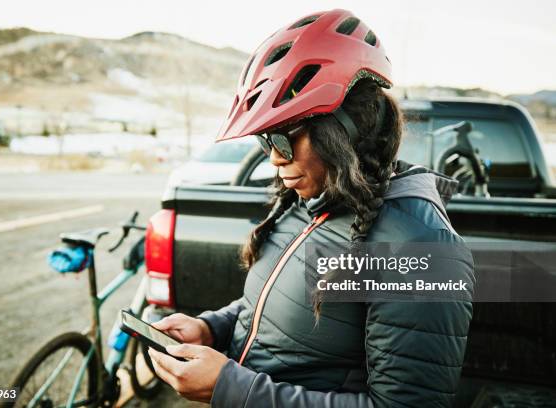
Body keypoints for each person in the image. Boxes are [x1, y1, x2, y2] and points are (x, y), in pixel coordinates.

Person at [148, 9, 474, 407]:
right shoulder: (308, 203)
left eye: (284, 139)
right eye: (266, 141)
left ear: (344, 133)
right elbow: (267, 309)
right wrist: (209, 328)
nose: (274, 159)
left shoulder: (420, 247)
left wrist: (230, 388)